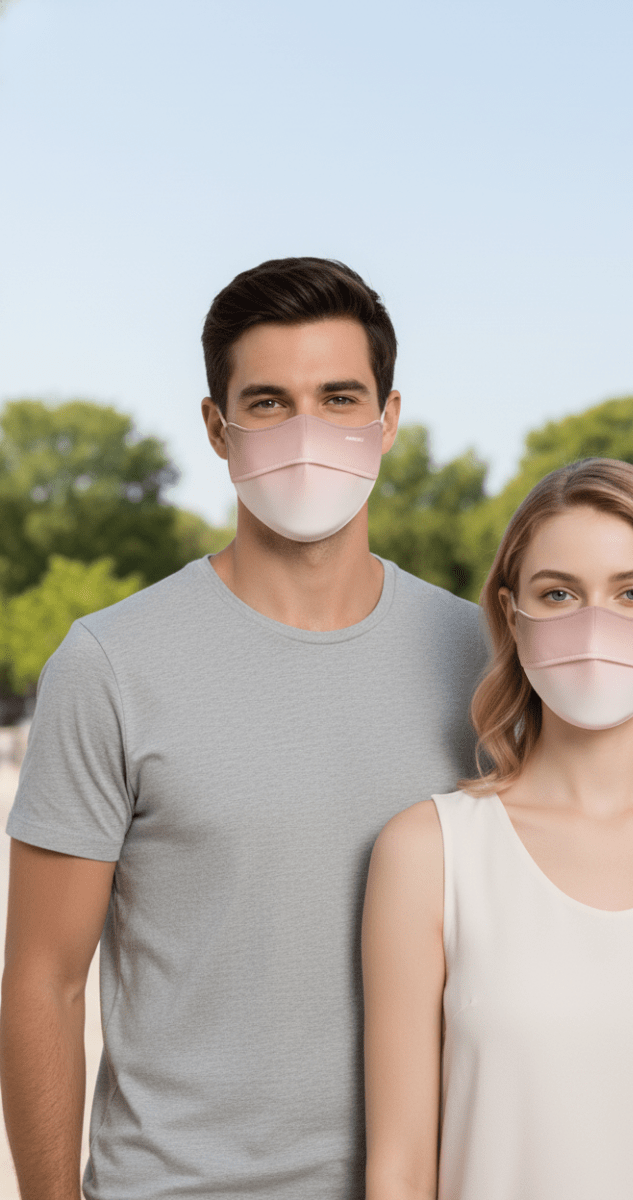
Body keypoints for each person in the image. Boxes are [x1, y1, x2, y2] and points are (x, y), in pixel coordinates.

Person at [0, 258, 487, 1199]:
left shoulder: (485, 661)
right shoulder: (110, 665)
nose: (308, 431)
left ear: (387, 420)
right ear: (217, 429)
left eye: (340, 397)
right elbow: (42, 982)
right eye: (267, 403)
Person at [362, 458, 633, 1200]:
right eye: (558, 593)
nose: (595, 623)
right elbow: (400, 1174)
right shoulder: (428, 852)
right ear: (510, 612)